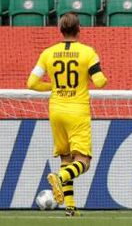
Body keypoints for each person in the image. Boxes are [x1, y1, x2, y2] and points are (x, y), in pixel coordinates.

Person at [27, 12, 108, 217]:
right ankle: (58, 177)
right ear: (79, 29)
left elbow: (31, 83)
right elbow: (99, 81)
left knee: (66, 158)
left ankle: (70, 209)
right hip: (77, 111)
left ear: (60, 30)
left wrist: (53, 86)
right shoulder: (88, 52)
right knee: (83, 162)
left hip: (56, 110)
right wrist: (97, 78)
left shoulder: (48, 53)